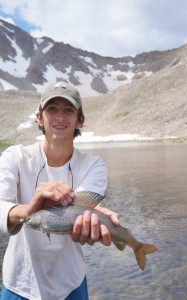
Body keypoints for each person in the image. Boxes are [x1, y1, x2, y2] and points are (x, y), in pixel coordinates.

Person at [0, 81, 120, 300]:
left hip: (71, 284)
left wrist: (94, 221)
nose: (60, 117)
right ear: (39, 117)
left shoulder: (94, 165)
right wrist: (28, 210)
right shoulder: (15, 157)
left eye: (68, 110)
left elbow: (83, 209)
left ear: (80, 120)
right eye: (52, 109)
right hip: (19, 283)